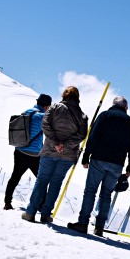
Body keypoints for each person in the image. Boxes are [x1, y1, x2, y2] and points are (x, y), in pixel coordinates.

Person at [67, 96, 130, 237]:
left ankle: (82, 223)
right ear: (126, 108)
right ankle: (99, 227)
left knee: (90, 191)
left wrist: (86, 156)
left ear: (113, 105)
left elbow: (92, 136)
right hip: (117, 164)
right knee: (106, 195)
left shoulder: (104, 115)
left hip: (98, 159)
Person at [21, 86, 87, 224]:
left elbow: (45, 125)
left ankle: (30, 212)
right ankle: (45, 214)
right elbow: (81, 135)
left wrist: (56, 143)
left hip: (49, 151)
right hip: (68, 155)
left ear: (64, 95)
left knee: (42, 180)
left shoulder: (54, 108)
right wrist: (66, 145)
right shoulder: (82, 115)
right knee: (56, 183)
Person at [3, 94, 53, 210]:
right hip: (34, 155)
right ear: (46, 106)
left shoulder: (26, 112)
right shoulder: (43, 117)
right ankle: (42, 206)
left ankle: (7, 202)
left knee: (15, 177)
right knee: (42, 180)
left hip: (20, 151)